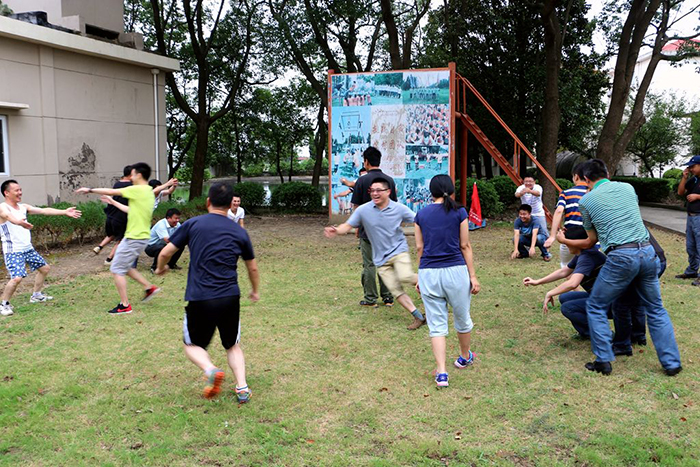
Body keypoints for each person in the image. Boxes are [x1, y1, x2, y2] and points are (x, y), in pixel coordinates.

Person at [557, 159, 682, 376]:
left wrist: (564, 241)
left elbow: (588, 242)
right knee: (655, 308)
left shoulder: (586, 201)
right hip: (648, 252)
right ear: (607, 172)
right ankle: (672, 363)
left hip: (621, 256)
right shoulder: (628, 187)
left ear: (586, 179)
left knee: (595, 305)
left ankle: (603, 360)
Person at [155, 182, 260, 403]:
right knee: (232, 344)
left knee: (192, 345)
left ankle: (210, 369)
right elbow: (252, 267)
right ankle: (242, 388)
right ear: (231, 204)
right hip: (230, 296)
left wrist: (160, 267)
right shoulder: (239, 231)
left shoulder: (193, 224)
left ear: (208, 202)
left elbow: (165, 252)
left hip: (200, 297)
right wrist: (255, 290)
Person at [326, 177, 425, 330]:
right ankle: (418, 317)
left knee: (405, 277)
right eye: (372, 190)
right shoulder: (363, 210)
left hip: (398, 251)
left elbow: (420, 220)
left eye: (379, 190)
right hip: (380, 259)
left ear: (388, 192)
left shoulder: (399, 208)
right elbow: (348, 225)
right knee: (396, 290)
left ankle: (435, 283)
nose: (375, 193)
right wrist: (337, 230)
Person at [414, 175, 480, 388]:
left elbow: (419, 248)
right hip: (456, 272)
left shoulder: (421, 214)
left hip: (429, 273)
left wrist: (419, 277)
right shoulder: (459, 212)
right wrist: (472, 276)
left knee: (436, 324)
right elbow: (465, 246)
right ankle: (464, 356)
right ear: (451, 190)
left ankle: (441, 372)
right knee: (462, 317)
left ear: (431, 191)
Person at [76, 162, 161, 314]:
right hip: (139, 237)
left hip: (135, 237)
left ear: (139, 175)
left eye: (133, 174)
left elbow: (111, 190)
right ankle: (149, 288)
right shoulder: (148, 191)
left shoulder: (137, 189)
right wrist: (113, 202)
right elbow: (131, 210)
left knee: (116, 268)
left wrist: (89, 189)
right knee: (124, 266)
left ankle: (125, 305)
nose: (131, 176)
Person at [0, 179, 81, 316]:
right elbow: (7, 216)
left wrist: (64, 212)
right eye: (16, 190)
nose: (20, 192)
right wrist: (19, 223)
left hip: (28, 248)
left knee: (44, 269)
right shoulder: (3, 207)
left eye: (20, 190)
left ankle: (36, 295)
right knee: (17, 278)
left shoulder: (23, 207)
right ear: (6, 193)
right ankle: (4, 304)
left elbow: (45, 210)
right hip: (13, 251)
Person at [523, 226, 607, 339]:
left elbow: (573, 283)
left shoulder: (587, 257)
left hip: (609, 303)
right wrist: (537, 282)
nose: (566, 245)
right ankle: (587, 333)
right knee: (565, 298)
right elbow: (564, 272)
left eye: (567, 242)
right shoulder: (583, 253)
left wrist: (550, 293)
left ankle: (602, 334)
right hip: (599, 297)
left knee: (568, 307)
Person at [350, 147, 395, 308]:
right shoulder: (389, 180)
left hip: (367, 230)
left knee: (369, 264)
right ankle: (388, 297)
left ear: (366, 162)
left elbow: (356, 207)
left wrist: (357, 227)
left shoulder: (361, 181)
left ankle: (370, 298)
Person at [544, 163, 589, 267]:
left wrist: (552, 236)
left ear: (576, 176)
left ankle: (571, 282)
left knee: (566, 266)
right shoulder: (594, 193)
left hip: (569, 237)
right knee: (588, 267)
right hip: (589, 237)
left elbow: (559, 211)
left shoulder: (566, 193)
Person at [93, 165, 132, 263]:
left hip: (111, 215)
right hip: (121, 216)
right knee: (122, 240)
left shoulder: (117, 184)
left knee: (111, 234)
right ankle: (109, 259)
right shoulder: (132, 186)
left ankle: (99, 246)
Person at [675, 155, 700, 286]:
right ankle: (692, 271)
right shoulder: (693, 180)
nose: (690, 169)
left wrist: (698, 196)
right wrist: (684, 178)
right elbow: (680, 192)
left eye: (693, 166)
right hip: (691, 217)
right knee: (691, 246)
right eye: (689, 167)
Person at [145, 208, 183, 273]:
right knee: (162, 247)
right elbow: (167, 240)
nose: (177, 220)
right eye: (176, 218)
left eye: (178, 218)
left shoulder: (177, 224)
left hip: (163, 244)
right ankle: (155, 267)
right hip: (150, 246)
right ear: (168, 218)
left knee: (180, 245)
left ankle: (171, 264)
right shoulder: (161, 225)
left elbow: (182, 236)